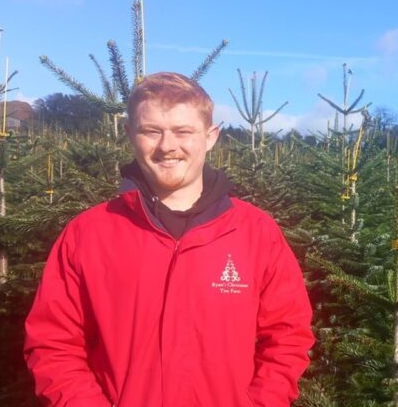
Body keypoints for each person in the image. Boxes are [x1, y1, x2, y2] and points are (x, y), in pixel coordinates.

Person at [24, 72, 314, 406]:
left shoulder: (257, 233)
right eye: (151, 131)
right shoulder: (87, 234)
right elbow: (52, 344)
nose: (167, 146)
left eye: (183, 131)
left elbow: (287, 337)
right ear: (130, 134)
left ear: (210, 136)